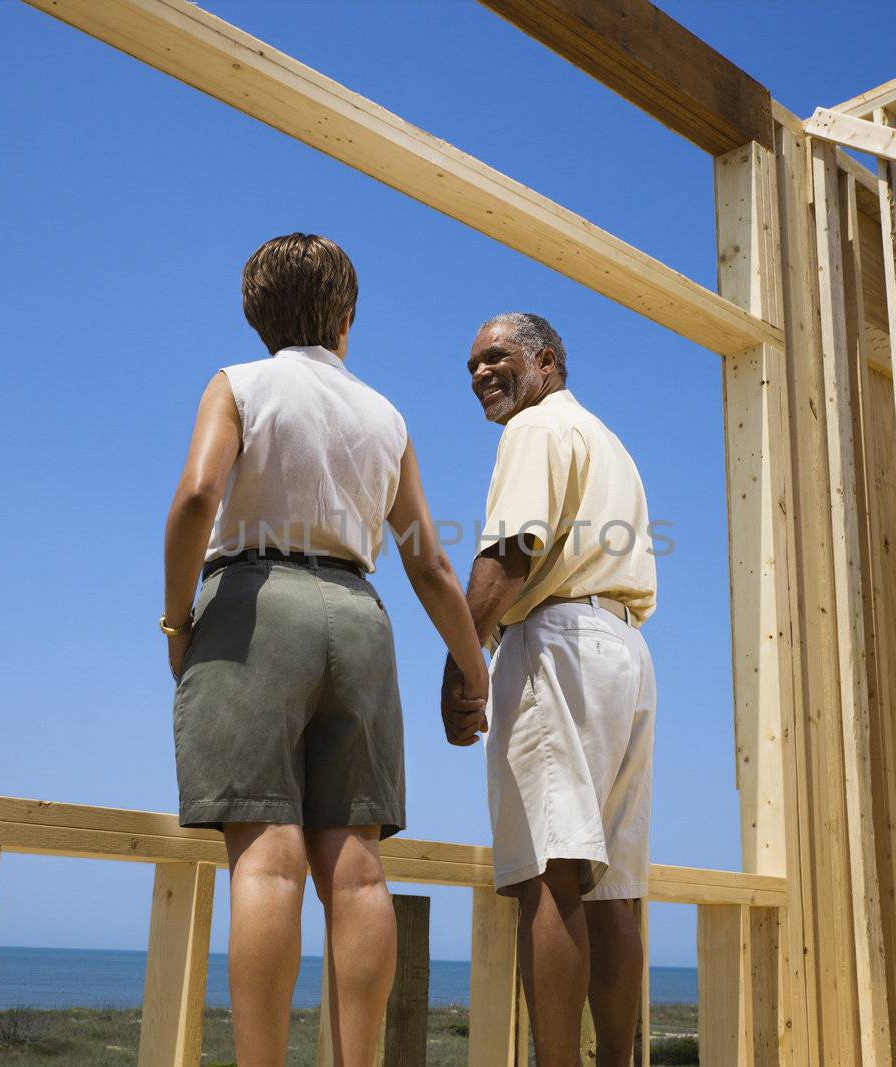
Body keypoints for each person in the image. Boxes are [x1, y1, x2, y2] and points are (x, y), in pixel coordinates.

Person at [162, 234, 488, 1066]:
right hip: (358, 614)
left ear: (256, 314)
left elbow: (199, 493)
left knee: (267, 862)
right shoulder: (387, 415)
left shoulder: (240, 383)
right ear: (346, 317)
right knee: (358, 870)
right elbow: (429, 561)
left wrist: (176, 622)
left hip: (253, 604)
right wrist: (474, 666)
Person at [443, 312, 658, 1066]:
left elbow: (511, 552)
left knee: (550, 869)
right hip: (627, 652)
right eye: (470, 365)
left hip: (559, 646)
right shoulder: (612, 445)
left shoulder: (534, 431)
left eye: (495, 357)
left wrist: (462, 664)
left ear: (546, 360)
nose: (479, 374)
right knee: (612, 887)